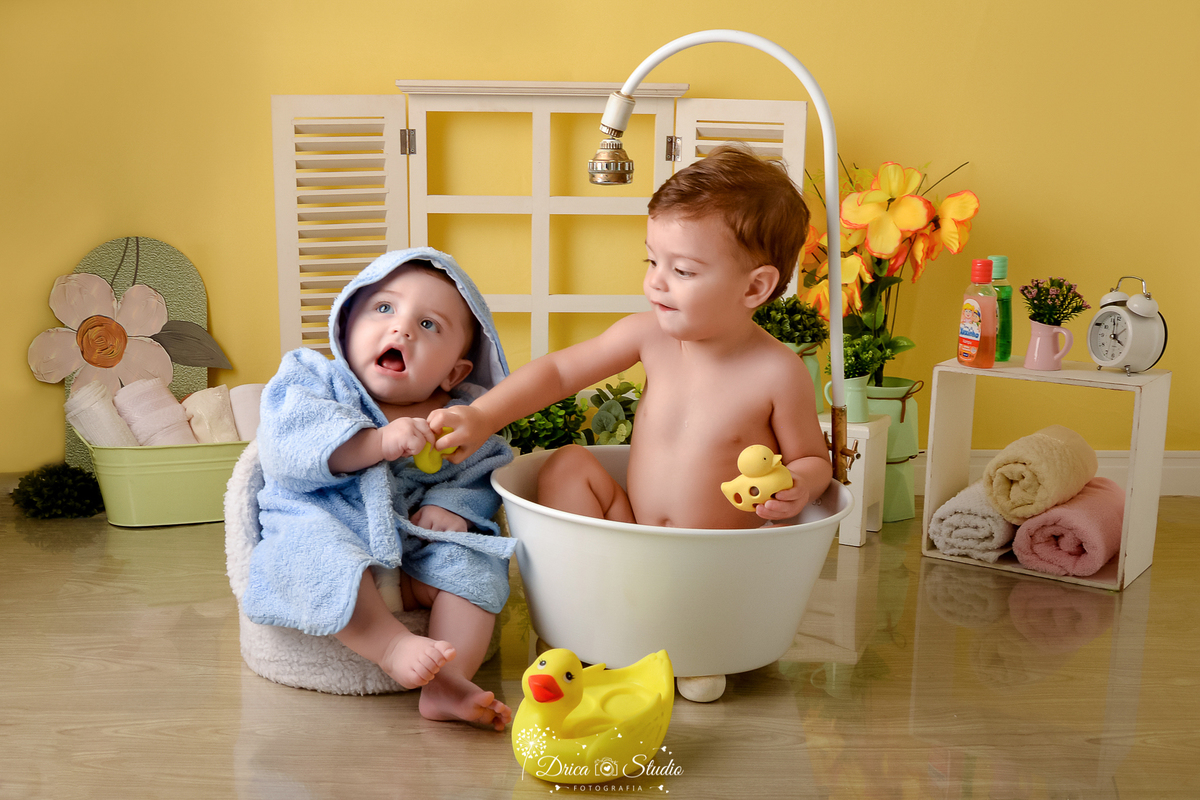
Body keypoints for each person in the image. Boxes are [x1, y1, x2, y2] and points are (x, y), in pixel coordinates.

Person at [431, 146, 832, 530]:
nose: (656, 281)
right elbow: (559, 372)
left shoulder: (777, 372)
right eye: (653, 261)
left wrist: (797, 484)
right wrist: (483, 416)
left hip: (720, 559)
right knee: (569, 464)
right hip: (632, 535)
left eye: (684, 271)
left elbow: (813, 459)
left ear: (754, 288)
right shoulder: (649, 336)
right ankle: (586, 583)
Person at [243, 248, 515, 731]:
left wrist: (450, 504)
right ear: (347, 326)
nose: (402, 328)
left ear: (454, 372)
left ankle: (448, 685)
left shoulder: (457, 418)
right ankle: (390, 644)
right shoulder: (313, 380)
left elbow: (486, 470)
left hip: (413, 557)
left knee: (475, 566)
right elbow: (288, 447)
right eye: (384, 308)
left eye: (430, 325)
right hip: (328, 520)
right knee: (310, 553)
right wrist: (375, 443)